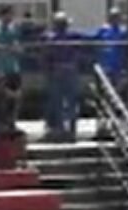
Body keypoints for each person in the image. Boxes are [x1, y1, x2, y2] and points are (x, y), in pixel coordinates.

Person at [44, 12, 82, 142]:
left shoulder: (51, 38)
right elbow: (78, 53)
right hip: (70, 69)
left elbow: (47, 56)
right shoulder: (73, 37)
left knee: (57, 102)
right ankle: (71, 130)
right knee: (71, 102)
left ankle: (60, 130)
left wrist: (48, 70)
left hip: (57, 70)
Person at [0, 5, 22, 127]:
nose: (11, 17)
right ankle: (0, 125)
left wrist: (17, 49)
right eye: (9, 14)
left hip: (13, 68)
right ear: (3, 15)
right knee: (2, 99)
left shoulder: (12, 29)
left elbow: (17, 47)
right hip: (1, 70)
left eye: (12, 14)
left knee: (14, 98)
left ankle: (11, 122)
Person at [95, 6, 128, 97]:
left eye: (116, 16)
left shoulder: (123, 31)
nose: (114, 19)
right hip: (106, 66)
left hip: (119, 67)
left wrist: (127, 67)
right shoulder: (103, 30)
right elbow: (93, 38)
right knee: (106, 92)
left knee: (120, 93)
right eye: (113, 17)